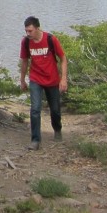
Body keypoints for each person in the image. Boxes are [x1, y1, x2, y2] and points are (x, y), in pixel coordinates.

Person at [18, 16, 68, 151]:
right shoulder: (26, 42)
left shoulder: (51, 39)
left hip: (52, 79)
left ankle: (57, 129)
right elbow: (24, 61)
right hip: (35, 79)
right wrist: (22, 80)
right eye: (26, 31)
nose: (28, 34)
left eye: (30, 31)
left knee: (55, 109)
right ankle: (35, 140)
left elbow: (63, 58)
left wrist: (63, 79)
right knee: (35, 109)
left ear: (37, 28)